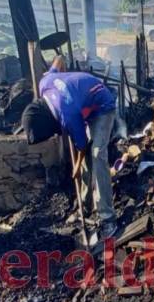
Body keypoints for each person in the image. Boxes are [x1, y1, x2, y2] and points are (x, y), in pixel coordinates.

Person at [21, 56, 118, 239]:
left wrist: (76, 166)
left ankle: (108, 218)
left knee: (96, 155)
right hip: (83, 103)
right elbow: (59, 59)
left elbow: (81, 147)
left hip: (102, 107)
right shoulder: (45, 83)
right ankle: (85, 205)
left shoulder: (69, 115)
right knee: (86, 158)